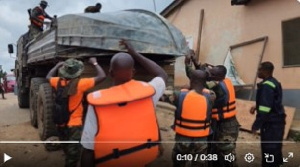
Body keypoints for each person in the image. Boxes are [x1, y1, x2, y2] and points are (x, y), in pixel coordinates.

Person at [80, 40, 167, 167]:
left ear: (110, 73)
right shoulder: (149, 93)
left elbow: (88, 150)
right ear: (134, 72)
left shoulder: (97, 103)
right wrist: (134, 53)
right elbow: (162, 74)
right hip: (140, 159)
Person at [46, 57, 106, 167]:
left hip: (60, 123)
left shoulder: (57, 82)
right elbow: (102, 76)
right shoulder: (81, 84)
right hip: (74, 125)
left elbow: (48, 76)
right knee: (73, 157)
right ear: (77, 72)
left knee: (67, 149)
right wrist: (94, 63)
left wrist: (56, 66)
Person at [171, 55, 216, 167]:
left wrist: (185, 88)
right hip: (201, 138)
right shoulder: (211, 96)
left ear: (191, 80)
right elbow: (206, 88)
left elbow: (171, 97)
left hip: (183, 137)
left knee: (179, 162)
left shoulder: (179, 95)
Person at [250, 61, 286, 167]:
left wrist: (256, 125)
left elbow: (265, 109)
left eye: (259, 70)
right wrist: (257, 106)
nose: (257, 72)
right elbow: (273, 101)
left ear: (265, 71)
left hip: (271, 124)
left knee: (269, 150)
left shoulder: (266, 86)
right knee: (275, 148)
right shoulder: (274, 82)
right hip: (278, 122)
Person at [206, 65, 240, 167]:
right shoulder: (225, 81)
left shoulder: (220, 89)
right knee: (215, 152)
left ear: (219, 76)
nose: (210, 76)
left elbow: (203, 85)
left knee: (226, 154)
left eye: (212, 74)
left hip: (227, 125)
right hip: (221, 123)